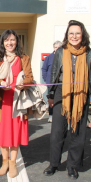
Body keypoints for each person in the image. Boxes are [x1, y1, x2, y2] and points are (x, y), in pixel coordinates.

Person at [43, 20, 91, 180]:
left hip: (81, 94)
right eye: (71, 33)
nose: (74, 36)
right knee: (57, 132)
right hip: (61, 93)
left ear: (82, 35)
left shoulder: (89, 53)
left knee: (78, 132)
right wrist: (50, 95)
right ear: (67, 35)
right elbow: (54, 73)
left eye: (77, 33)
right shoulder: (61, 52)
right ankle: (54, 164)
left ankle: (72, 166)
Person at [0, 29, 33, 178]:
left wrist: (23, 83)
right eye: (6, 40)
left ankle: (13, 162)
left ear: (17, 41)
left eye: (12, 40)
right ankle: (4, 162)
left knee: (15, 133)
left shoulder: (24, 58)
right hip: (2, 102)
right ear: (2, 43)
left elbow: (30, 77)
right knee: (3, 134)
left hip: (18, 102)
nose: (9, 43)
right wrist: (0, 82)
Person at [41, 41, 62, 123]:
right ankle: (51, 116)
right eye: (56, 47)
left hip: (61, 83)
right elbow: (44, 69)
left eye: (59, 47)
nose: (57, 49)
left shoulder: (63, 56)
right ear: (54, 48)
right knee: (51, 100)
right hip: (51, 83)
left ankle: (60, 116)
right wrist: (46, 79)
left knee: (60, 100)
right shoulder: (49, 57)